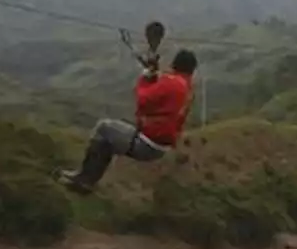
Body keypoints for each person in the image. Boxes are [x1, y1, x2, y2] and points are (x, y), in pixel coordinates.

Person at [58, 48, 197, 193]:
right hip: (160, 146)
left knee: (103, 127)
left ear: (175, 64)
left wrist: (144, 78)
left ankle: (85, 179)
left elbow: (143, 100)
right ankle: (87, 181)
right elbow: (166, 103)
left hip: (146, 143)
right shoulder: (187, 88)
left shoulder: (172, 83)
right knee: (109, 137)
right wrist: (156, 77)